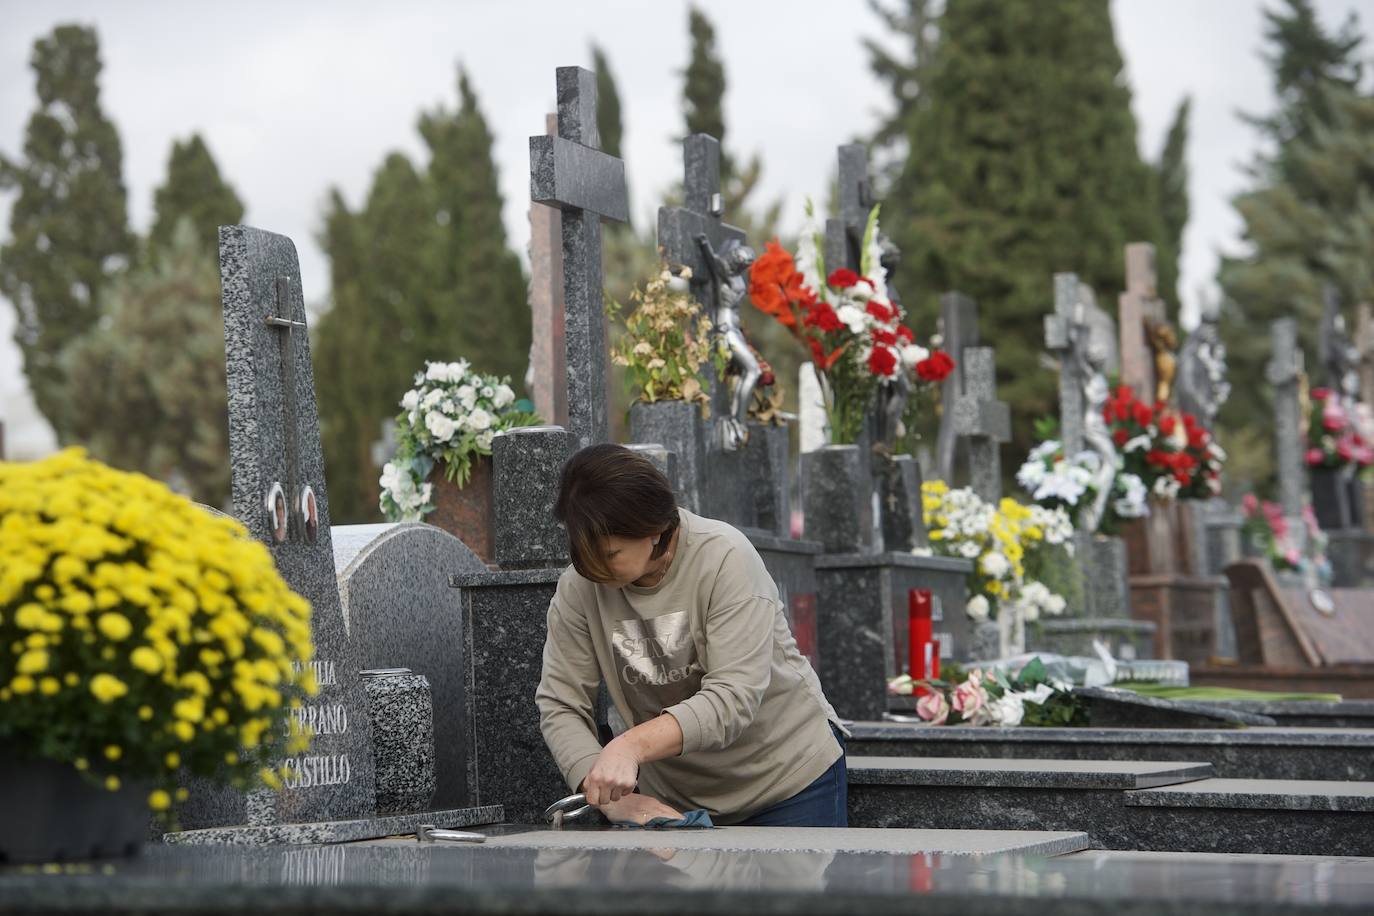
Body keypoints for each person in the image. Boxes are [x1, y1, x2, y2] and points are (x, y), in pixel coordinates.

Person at [536, 444, 848, 827]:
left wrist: (629, 745)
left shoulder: (724, 558)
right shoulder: (579, 587)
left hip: (786, 780)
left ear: (652, 529)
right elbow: (562, 703)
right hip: (673, 798)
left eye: (609, 552)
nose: (590, 566)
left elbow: (733, 697)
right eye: (579, 550)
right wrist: (602, 789)